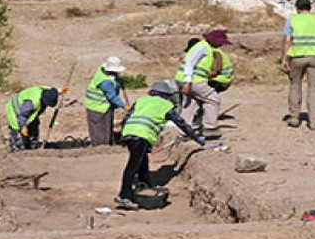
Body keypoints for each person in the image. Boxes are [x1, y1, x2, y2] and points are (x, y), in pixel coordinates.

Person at [115, 79, 210, 209]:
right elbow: (181, 123)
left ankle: (145, 184)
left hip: (129, 133)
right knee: (133, 166)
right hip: (142, 135)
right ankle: (124, 196)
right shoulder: (166, 106)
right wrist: (196, 138)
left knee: (142, 160)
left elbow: (127, 118)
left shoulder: (141, 101)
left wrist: (123, 135)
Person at [281, 0, 315, 130]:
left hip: (297, 56)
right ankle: (313, 121)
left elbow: (287, 40)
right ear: (310, 7)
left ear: (297, 8)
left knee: (295, 85)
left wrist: (284, 59)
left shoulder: (292, 19)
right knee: (314, 88)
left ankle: (294, 117)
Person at [174, 28, 230, 140]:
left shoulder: (206, 48)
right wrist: (188, 82)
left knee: (192, 104)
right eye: (220, 42)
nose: (221, 45)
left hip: (185, 79)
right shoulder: (202, 47)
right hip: (194, 80)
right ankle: (210, 128)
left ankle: (184, 132)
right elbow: (190, 64)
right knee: (213, 99)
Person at [84, 56, 127, 146]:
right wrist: (124, 106)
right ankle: (101, 147)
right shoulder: (105, 82)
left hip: (105, 106)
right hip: (96, 107)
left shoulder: (102, 71)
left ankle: (109, 143)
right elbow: (112, 96)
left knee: (107, 127)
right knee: (99, 130)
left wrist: (118, 82)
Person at [5, 85, 62, 151]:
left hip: (27, 112)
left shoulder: (47, 91)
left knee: (33, 125)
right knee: (18, 133)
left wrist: (59, 91)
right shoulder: (32, 103)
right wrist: (23, 127)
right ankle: (17, 148)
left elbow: (53, 91)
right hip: (15, 111)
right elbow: (22, 115)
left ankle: (32, 146)